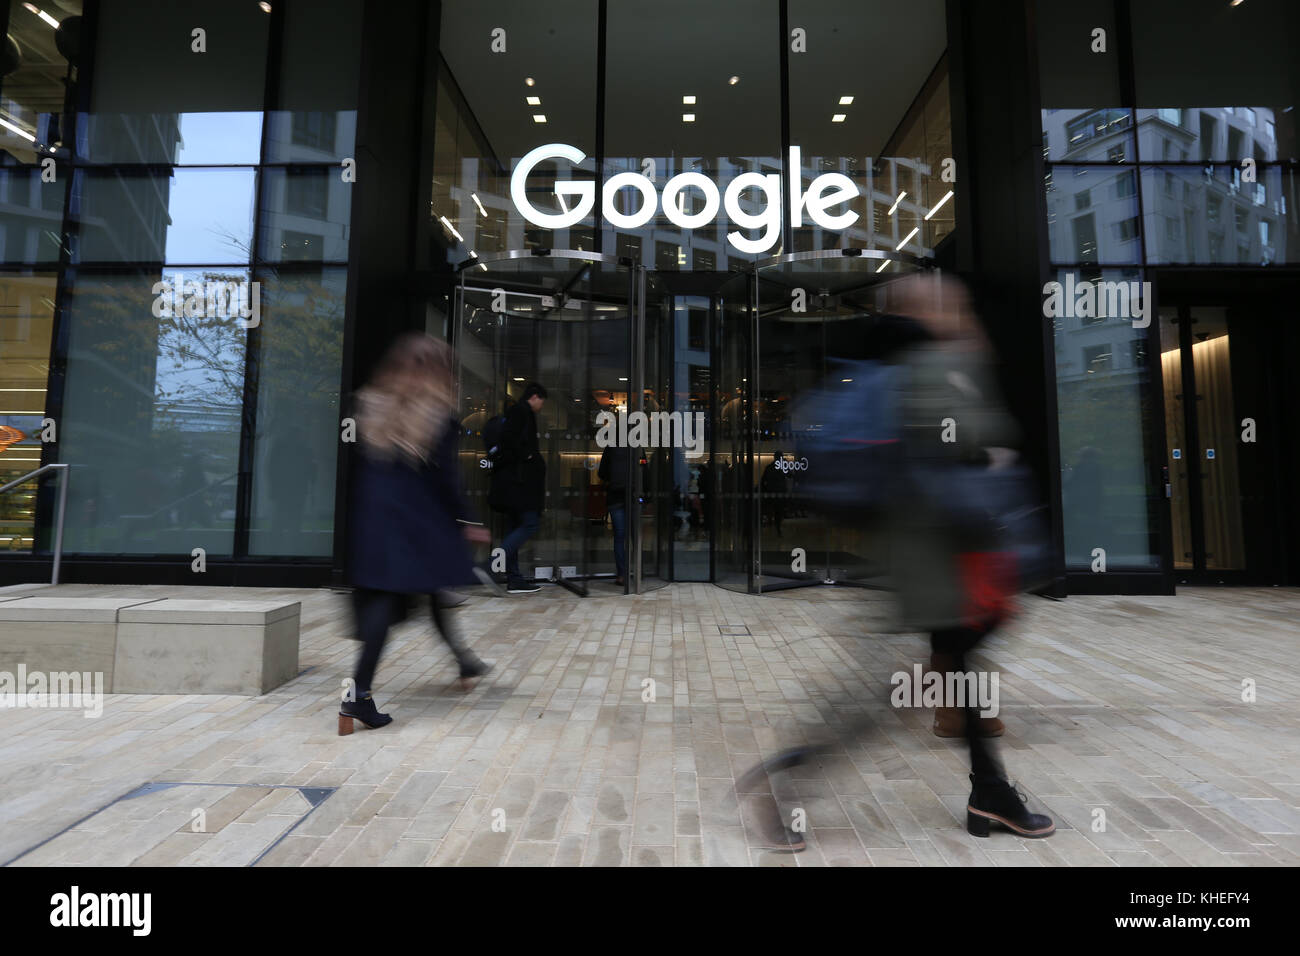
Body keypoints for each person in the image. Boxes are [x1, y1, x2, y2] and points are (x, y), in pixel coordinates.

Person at [340, 332, 492, 734]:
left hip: (373, 521)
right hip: (415, 525)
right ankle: (358, 696)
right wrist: (470, 520)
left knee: (388, 601)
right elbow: (447, 480)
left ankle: (458, 663)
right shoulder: (436, 416)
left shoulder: (371, 405)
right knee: (411, 596)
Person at [489, 382, 547, 593]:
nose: (542, 406)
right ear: (535, 397)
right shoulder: (522, 411)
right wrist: (528, 455)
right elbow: (509, 439)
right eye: (542, 401)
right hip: (520, 486)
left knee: (514, 527)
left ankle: (514, 579)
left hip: (514, 485)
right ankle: (493, 563)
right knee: (530, 524)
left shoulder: (519, 411)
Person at [598, 443, 633, 586]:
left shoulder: (610, 447)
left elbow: (601, 473)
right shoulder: (636, 447)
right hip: (632, 496)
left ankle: (622, 575)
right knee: (635, 535)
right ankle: (638, 571)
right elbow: (644, 470)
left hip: (615, 497)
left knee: (620, 536)